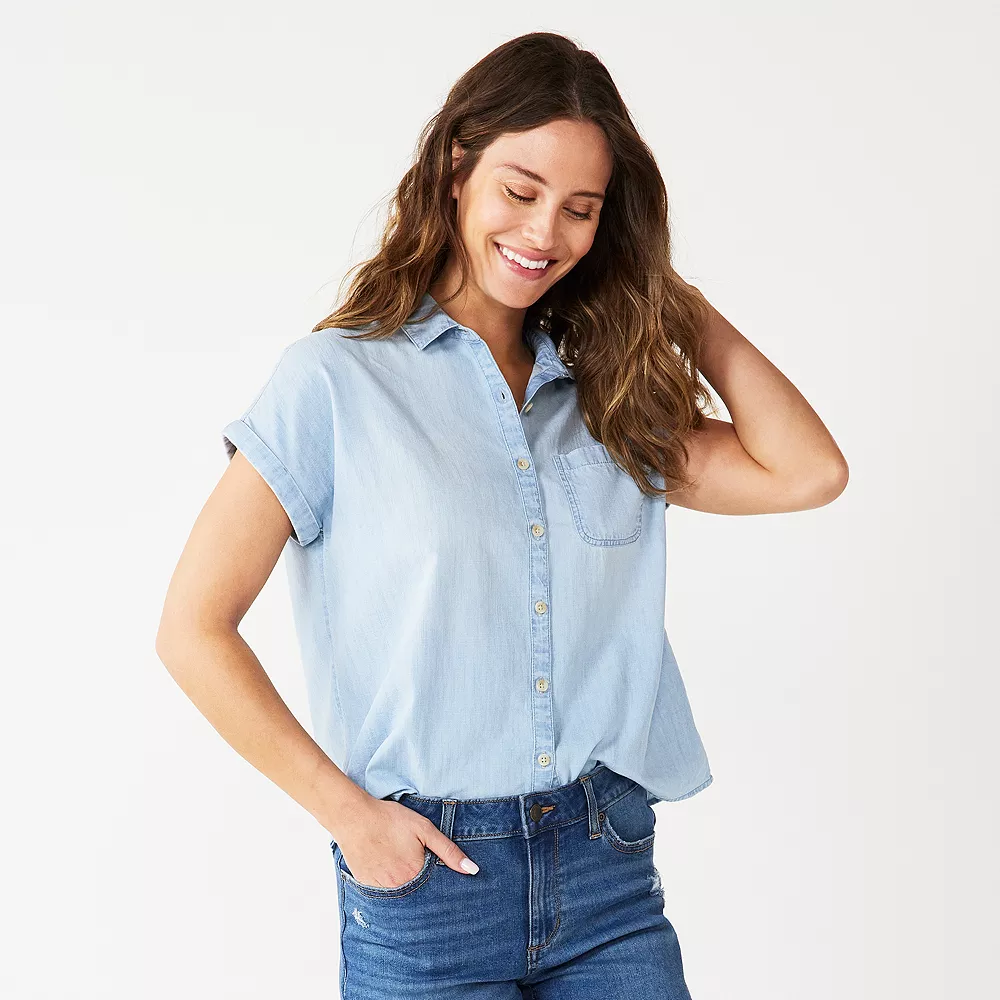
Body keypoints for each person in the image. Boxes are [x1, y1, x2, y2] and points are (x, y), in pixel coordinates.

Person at [156, 30, 848, 999]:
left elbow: (808, 471)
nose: (544, 233)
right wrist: (350, 817)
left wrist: (670, 298)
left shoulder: (606, 402)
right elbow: (192, 628)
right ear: (456, 169)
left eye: (581, 210)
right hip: (428, 882)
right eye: (520, 191)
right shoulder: (334, 383)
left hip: (606, 873)